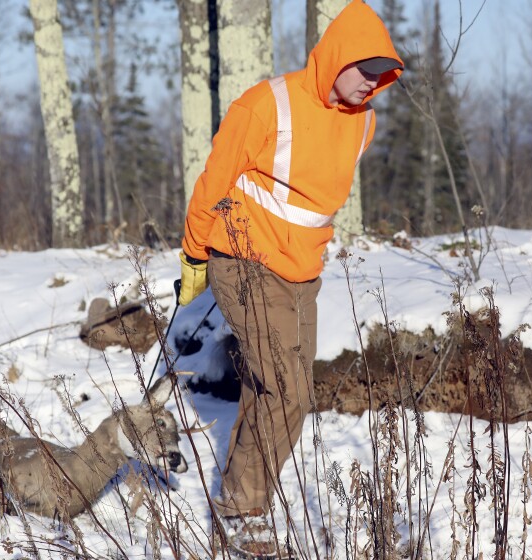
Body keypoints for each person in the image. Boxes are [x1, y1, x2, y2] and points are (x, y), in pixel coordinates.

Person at [178, 1, 403, 555]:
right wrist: (194, 258)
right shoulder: (266, 105)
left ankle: (240, 498)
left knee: (275, 388)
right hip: (245, 260)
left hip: (304, 273)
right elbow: (213, 182)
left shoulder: (364, 121)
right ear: (335, 58)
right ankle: (241, 510)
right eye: (363, 70)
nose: (370, 84)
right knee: (288, 390)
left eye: (381, 74)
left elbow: (313, 203)